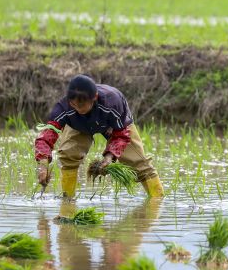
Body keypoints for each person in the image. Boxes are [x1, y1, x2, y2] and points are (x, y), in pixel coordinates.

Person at [34, 75, 164, 198]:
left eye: (82, 105)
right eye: (74, 105)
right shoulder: (63, 107)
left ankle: (157, 202)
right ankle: (68, 201)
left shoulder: (112, 102)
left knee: (138, 163)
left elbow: (121, 135)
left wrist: (109, 158)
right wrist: (43, 165)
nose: (78, 109)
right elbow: (46, 136)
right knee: (68, 155)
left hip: (113, 124)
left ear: (94, 97)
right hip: (79, 125)